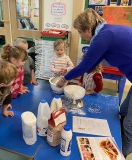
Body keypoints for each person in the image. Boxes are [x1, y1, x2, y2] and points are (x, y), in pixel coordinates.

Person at [56, 8, 132, 157]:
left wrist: (65, 79)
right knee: (123, 112)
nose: (82, 37)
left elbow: (85, 65)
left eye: (80, 32)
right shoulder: (107, 32)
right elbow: (90, 64)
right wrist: (69, 73)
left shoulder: (103, 37)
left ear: (89, 29)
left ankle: (120, 155)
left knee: (129, 126)